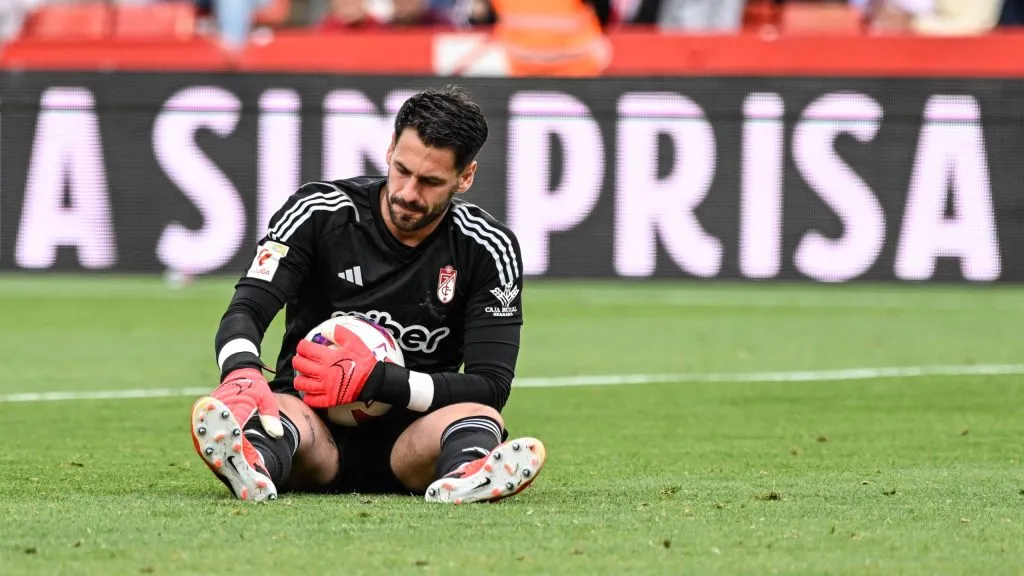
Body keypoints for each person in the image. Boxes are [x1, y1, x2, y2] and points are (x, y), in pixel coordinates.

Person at [189, 85, 546, 504]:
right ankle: (252, 465)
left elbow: (491, 385)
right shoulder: (318, 212)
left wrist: (378, 380)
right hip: (311, 422)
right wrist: (241, 369)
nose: (408, 193)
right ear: (391, 147)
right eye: (402, 170)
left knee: (480, 415)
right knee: (274, 412)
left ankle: (466, 474)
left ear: (465, 177)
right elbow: (248, 306)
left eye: (431, 182)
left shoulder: (486, 247)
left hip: (415, 439)